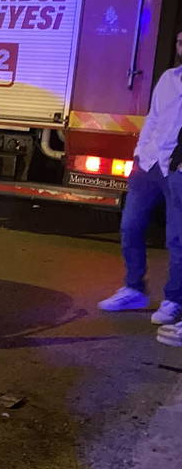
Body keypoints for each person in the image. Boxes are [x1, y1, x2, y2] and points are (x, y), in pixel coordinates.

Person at [99, 29, 182, 332]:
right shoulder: (169, 78)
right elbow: (154, 118)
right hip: (149, 163)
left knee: (177, 238)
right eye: (180, 41)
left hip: (177, 168)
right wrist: (139, 153)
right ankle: (134, 289)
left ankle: (174, 300)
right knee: (130, 226)